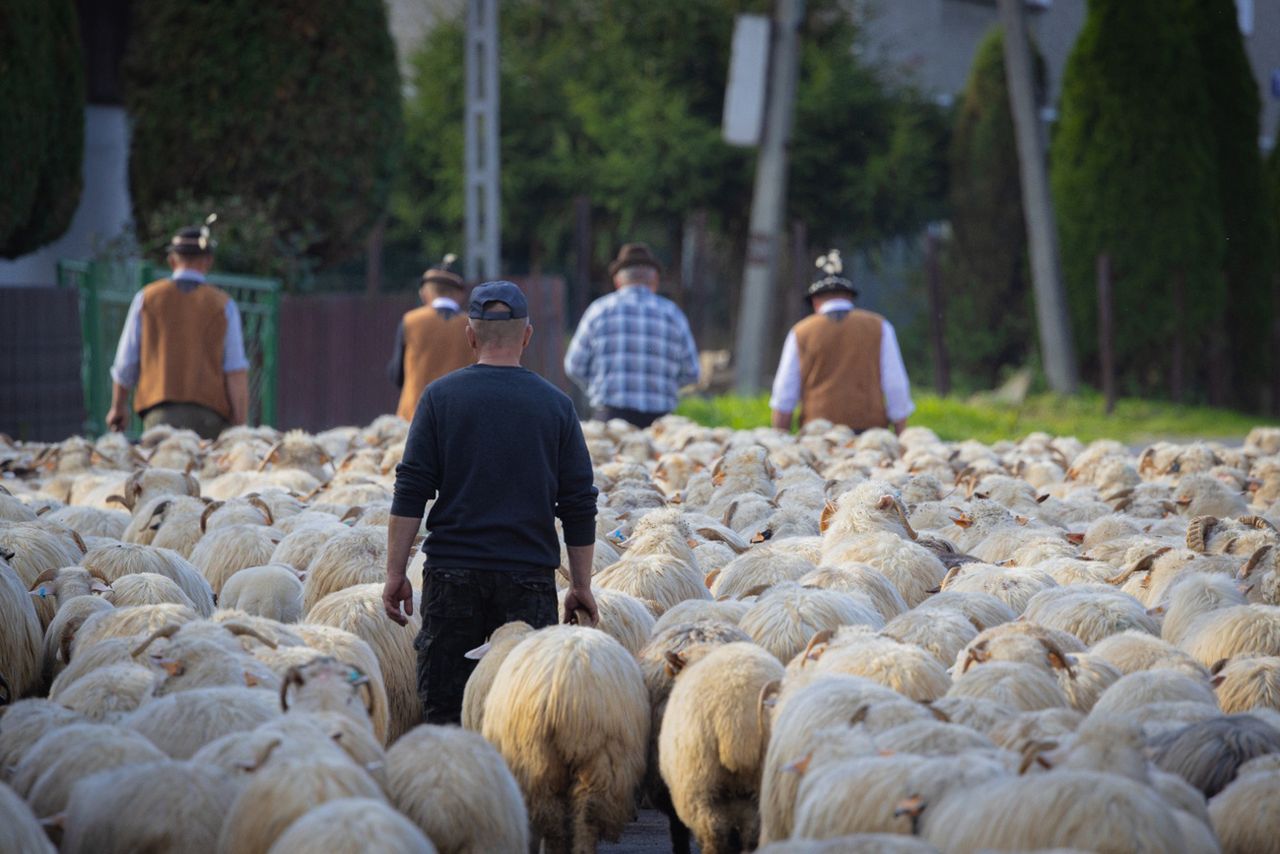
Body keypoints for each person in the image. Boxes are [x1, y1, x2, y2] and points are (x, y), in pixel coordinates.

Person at [382, 280, 599, 725]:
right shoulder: (556, 406)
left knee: (445, 711)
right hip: (528, 580)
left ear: (470, 335)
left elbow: (411, 489)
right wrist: (580, 585)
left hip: (451, 576)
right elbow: (578, 502)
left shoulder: (439, 398)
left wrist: (394, 572)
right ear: (527, 335)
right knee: (522, 716)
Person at [107, 216, 249, 439]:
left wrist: (118, 407)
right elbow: (235, 369)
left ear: (172, 261)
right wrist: (240, 425)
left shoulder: (147, 298)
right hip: (209, 420)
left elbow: (126, 363)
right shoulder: (223, 305)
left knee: (161, 473)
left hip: (159, 419)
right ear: (208, 261)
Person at [769, 249, 914, 434]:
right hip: (870, 440)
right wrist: (902, 439)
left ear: (814, 300)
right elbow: (896, 387)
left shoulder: (800, 332)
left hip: (818, 439)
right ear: (850, 296)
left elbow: (784, 395)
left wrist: (781, 442)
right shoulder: (880, 327)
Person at [564, 242, 700, 428]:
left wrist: (599, 387)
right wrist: (664, 388)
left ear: (618, 281)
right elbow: (691, 372)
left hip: (610, 422)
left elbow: (574, 365)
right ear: (654, 281)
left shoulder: (599, 311)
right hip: (661, 427)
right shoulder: (673, 314)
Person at [386, 253, 474, 421]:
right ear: (460, 294)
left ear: (424, 293)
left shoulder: (410, 321)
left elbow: (397, 374)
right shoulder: (472, 325)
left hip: (415, 417)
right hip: (460, 419)